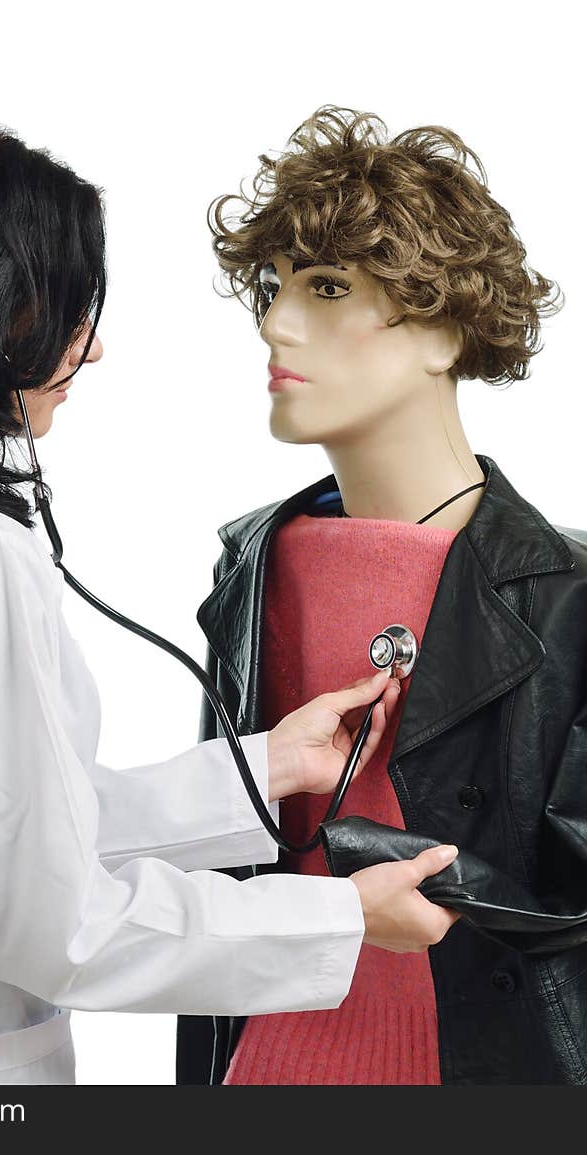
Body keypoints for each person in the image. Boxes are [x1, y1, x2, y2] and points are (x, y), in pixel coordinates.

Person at [0, 117, 460, 1087]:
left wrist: (265, 767)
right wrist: (344, 918)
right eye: (68, 312)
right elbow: (52, 924)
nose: (92, 348)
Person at [176, 105, 587, 1086]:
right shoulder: (251, 565)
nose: (276, 322)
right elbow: (212, 854)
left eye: (325, 289)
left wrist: (405, 869)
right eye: (272, 289)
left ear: (442, 327)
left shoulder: (566, 596)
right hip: (262, 1064)